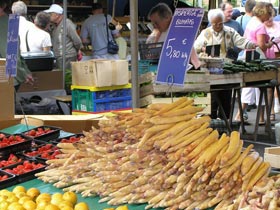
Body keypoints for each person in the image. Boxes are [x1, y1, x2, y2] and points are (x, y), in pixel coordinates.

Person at [194, 8, 255, 120]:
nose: (218, 26)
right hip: (210, 71)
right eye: (215, 24)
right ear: (211, 23)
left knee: (226, 99)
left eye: (220, 23)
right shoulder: (206, 33)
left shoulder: (230, 31)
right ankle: (211, 123)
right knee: (212, 99)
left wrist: (251, 44)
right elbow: (195, 47)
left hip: (226, 69)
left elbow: (241, 41)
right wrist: (203, 49)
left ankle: (225, 124)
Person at [234, 2, 274, 125]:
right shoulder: (260, 26)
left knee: (251, 88)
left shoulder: (251, 22)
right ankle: (241, 115)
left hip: (248, 57)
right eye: (269, 13)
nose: (270, 16)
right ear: (264, 12)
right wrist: (270, 44)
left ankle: (258, 118)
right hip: (257, 60)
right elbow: (261, 46)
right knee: (257, 88)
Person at [146, 3, 201, 69]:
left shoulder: (180, 29)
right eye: (153, 23)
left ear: (167, 18)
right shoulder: (156, 33)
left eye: (156, 23)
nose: (154, 26)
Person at [0, 0, 33, 91]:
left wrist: (24, 74)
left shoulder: (8, 24)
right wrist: (25, 73)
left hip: (7, 80)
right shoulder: (10, 23)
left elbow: (11, 57)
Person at [45, 4, 83, 70]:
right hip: (60, 56)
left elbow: (77, 40)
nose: (49, 16)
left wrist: (78, 50)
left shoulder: (67, 24)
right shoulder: (54, 25)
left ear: (57, 15)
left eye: (51, 14)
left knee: (65, 77)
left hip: (67, 56)